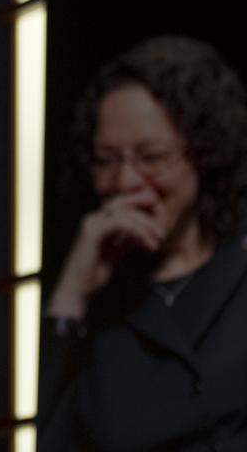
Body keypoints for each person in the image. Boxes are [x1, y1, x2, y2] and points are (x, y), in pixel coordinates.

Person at [39, 36, 247, 451]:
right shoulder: (95, 309)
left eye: (152, 157)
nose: (126, 183)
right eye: (106, 160)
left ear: (204, 153)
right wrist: (70, 295)